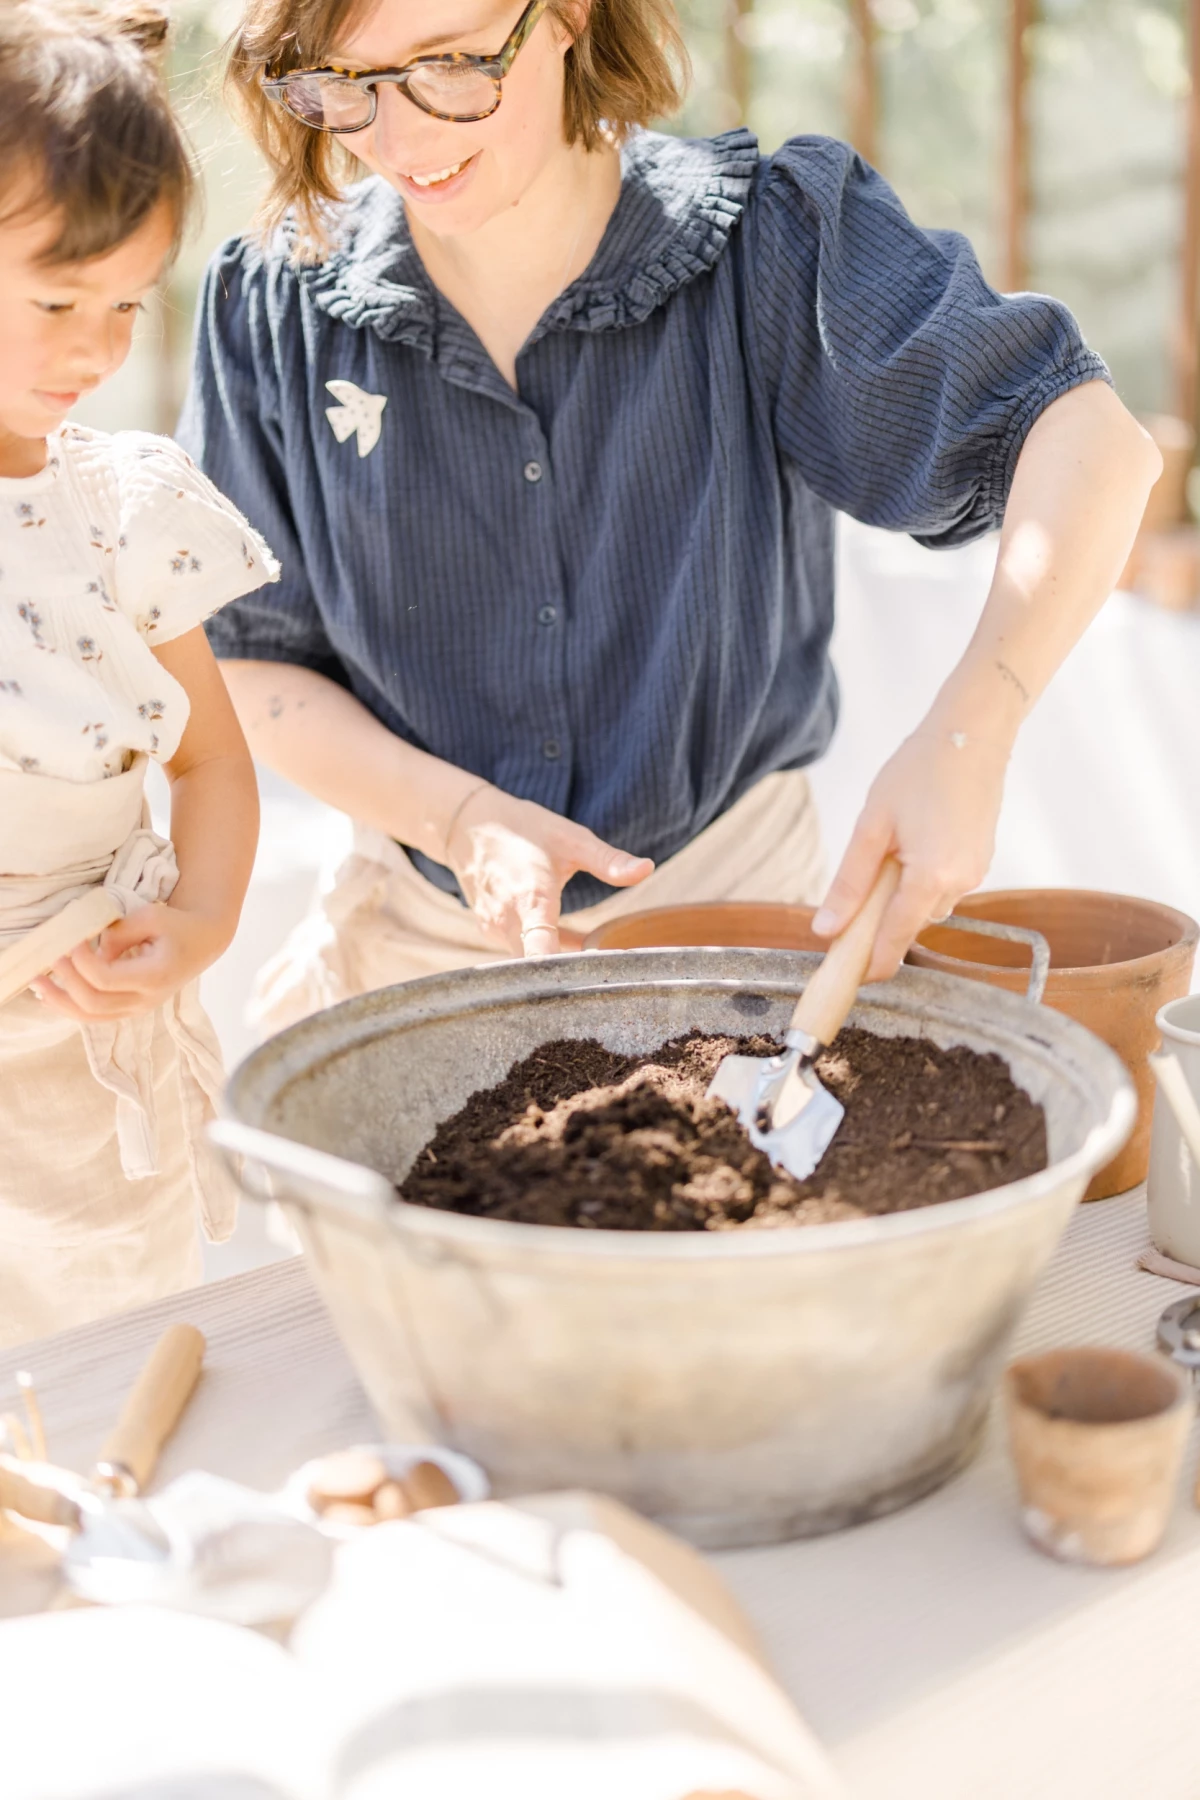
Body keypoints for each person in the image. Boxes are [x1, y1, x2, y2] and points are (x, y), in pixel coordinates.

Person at [180, 0, 1160, 1035]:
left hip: (737, 944)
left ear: (565, 17)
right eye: (345, 82)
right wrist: (462, 819)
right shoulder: (271, 301)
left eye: (450, 66)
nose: (400, 139)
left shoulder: (767, 249)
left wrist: (971, 736)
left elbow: (1095, 447)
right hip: (415, 948)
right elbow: (248, 663)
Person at [0, 0, 278, 1345]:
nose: (100, 350)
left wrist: (207, 921)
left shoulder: (121, 507)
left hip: (83, 1063)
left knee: (100, 1391)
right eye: (58, 300)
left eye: (128, 304)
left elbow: (212, 758)